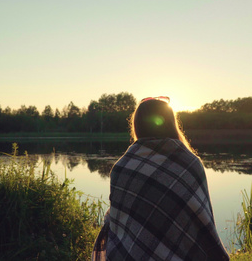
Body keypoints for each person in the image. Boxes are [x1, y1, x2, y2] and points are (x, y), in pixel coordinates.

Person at [92, 96, 230, 260]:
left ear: (138, 125)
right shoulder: (190, 163)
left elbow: (118, 224)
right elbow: (202, 223)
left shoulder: (122, 167)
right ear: (171, 124)